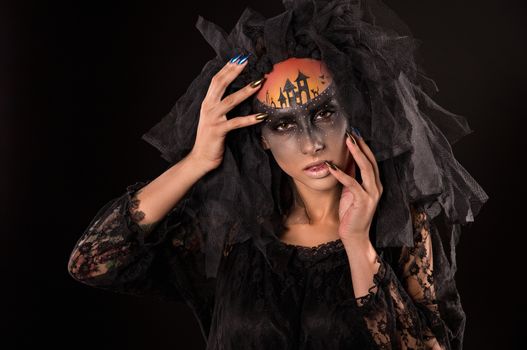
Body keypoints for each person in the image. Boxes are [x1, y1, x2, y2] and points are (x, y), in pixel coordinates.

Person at [67, 1, 489, 349]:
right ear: (262, 136)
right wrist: (197, 160)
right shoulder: (234, 233)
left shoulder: (402, 229)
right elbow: (91, 262)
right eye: (283, 124)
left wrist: (359, 244)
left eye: (323, 114)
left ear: (353, 115)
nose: (311, 143)